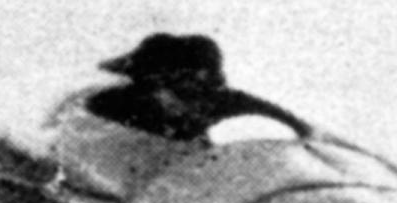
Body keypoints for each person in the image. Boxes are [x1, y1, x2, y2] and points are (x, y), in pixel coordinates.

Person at [86, 33, 304, 142]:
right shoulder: (116, 103)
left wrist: (302, 130)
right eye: (182, 91)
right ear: (152, 88)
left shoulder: (217, 100)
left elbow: (288, 119)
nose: (193, 102)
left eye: (203, 90)